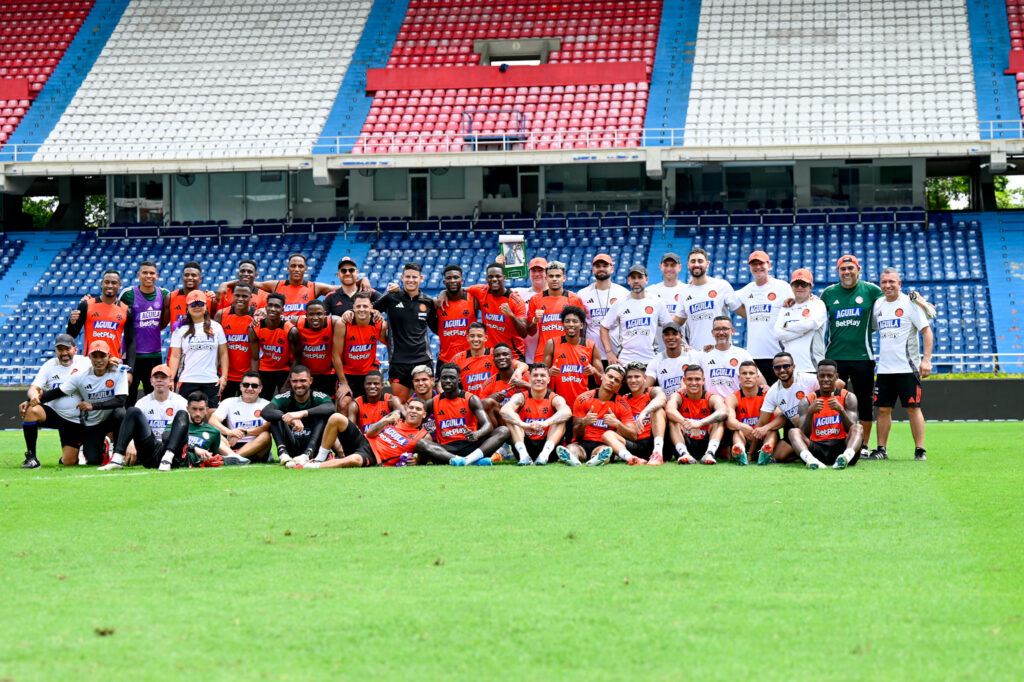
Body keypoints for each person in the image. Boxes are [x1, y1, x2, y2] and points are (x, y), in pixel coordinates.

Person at [821, 254, 884, 460]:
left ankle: (864, 445)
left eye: (851, 268)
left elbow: (891, 303)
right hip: (834, 358)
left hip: (863, 357)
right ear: (838, 271)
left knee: (865, 402)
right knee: (833, 400)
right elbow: (813, 311)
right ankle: (835, 439)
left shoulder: (872, 290)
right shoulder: (828, 293)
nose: (847, 272)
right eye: (843, 269)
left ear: (858, 270)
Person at [29, 339, 128, 466]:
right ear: (89, 357)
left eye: (102, 356)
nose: (98, 360)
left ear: (109, 357)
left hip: (110, 418)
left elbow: (121, 401)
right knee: (93, 461)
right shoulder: (80, 376)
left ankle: (118, 455)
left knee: (121, 413)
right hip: (94, 423)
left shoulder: (118, 371)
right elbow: (57, 392)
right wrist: (31, 401)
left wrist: (92, 406)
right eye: (95, 356)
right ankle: (102, 445)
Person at [871, 267, 934, 461]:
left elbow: (927, 332)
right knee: (882, 409)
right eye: (884, 282)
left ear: (900, 283)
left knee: (912, 408)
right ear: (880, 284)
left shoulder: (910, 303)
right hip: (885, 369)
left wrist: (926, 360)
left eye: (892, 281)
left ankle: (920, 450)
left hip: (907, 367)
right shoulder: (878, 304)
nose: (887, 285)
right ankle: (881, 449)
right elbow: (872, 328)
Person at [291, 397, 433, 469]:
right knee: (336, 418)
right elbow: (370, 433)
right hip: (363, 441)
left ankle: (312, 466)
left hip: (374, 456)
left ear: (424, 414)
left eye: (418, 409)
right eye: (411, 408)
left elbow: (426, 455)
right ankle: (320, 459)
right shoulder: (395, 419)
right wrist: (385, 420)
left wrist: (418, 461)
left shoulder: (424, 435)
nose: (413, 411)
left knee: (355, 460)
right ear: (406, 409)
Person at [98, 364, 191, 470]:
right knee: (132, 411)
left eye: (163, 377)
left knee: (182, 414)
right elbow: (135, 427)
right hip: (150, 450)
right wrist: (131, 442)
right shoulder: (142, 402)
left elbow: (187, 432)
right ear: (151, 381)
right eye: (156, 377)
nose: (159, 380)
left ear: (170, 381)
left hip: (172, 451)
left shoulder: (181, 402)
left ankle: (167, 458)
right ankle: (117, 459)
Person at [19, 334, 92, 469]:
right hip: (53, 413)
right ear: (55, 351)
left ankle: (69, 454)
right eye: (60, 349)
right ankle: (32, 457)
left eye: (67, 349)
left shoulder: (85, 362)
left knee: (69, 462)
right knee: (31, 410)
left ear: (75, 349)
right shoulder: (49, 365)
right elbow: (33, 388)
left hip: (74, 418)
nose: (64, 353)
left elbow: (103, 366)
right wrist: (33, 396)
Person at [372, 262, 438, 403]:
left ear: (421, 278)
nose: (411, 280)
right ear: (402, 278)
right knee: (400, 405)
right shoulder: (391, 298)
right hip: (398, 361)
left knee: (427, 405)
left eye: (414, 277)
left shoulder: (428, 302)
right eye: (408, 277)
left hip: (422, 359)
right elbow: (369, 311)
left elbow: (438, 329)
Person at [422, 363, 509, 465]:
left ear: (459, 380)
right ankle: (470, 461)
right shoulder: (433, 402)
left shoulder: (471, 399)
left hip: (471, 444)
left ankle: (467, 460)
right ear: (440, 380)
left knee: (504, 430)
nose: (448, 381)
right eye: (444, 378)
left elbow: (488, 425)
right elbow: (415, 423)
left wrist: (477, 434)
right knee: (421, 443)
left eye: (452, 378)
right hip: (447, 449)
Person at [732, 251, 794, 384]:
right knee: (760, 399)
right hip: (754, 356)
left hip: (777, 355)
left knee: (781, 396)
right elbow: (725, 297)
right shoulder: (747, 290)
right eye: (754, 264)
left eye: (761, 263)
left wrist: (812, 298)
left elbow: (799, 303)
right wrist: (697, 282)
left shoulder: (782, 287)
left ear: (769, 265)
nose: (758, 267)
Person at [790, 359, 863, 470]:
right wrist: (810, 412)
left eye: (829, 376)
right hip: (817, 447)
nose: (825, 379)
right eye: (822, 376)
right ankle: (811, 461)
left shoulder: (848, 397)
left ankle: (845, 458)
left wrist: (841, 411)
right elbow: (804, 432)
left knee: (858, 427)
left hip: (841, 446)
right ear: (817, 377)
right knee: (793, 432)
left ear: (836, 376)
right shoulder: (807, 401)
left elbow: (852, 429)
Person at [560, 365, 636, 466]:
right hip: (582, 443)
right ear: (602, 376)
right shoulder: (583, 398)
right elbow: (576, 435)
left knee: (605, 452)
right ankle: (573, 458)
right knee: (571, 449)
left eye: (616, 380)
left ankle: (595, 459)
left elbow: (633, 435)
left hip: (604, 444)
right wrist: (584, 422)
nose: (612, 381)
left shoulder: (622, 405)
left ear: (619, 386)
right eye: (610, 377)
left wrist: (618, 424)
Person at [261, 365, 337, 466]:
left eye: (303, 380)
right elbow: (265, 412)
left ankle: (307, 454)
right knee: (275, 416)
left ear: (311, 380)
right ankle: (283, 454)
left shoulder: (318, 396)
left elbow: (330, 407)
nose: (299, 385)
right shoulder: (285, 397)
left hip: (314, 448)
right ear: (290, 382)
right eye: (295, 381)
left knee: (323, 414)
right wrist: (289, 418)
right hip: (293, 446)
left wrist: (302, 413)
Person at [500, 363, 572, 466]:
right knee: (511, 418)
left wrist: (546, 423)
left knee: (560, 419)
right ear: (529, 379)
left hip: (548, 446)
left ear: (548, 380)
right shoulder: (520, 397)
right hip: (525, 445)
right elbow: (504, 410)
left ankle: (544, 456)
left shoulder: (555, 398)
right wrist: (523, 424)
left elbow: (567, 412)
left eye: (542, 376)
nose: (539, 378)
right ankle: (524, 456)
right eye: (535, 375)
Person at [600, 265, 673, 366]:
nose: (636, 281)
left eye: (640, 277)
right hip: (625, 361)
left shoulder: (657, 302)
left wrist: (679, 345)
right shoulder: (620, 303)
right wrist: (609, 352)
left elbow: (670, 327)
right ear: (629, 280)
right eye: (633, 278)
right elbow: (604, 327)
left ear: (646, 280)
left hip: (650, 360)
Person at [756, 352, 821, 465]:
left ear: (793, 367)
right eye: (777, 367)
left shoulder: (808, 379)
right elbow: (763, 421)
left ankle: (812, 450)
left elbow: (838, 384)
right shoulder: (773, 391)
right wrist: (750, 452)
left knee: (797, 417)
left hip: (819, 424)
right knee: (778, 456)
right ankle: (807, 451)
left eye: (786, 366)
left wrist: (820, 403)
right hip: (796, 429)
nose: (782, 370)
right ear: (773, 369)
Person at [119, 261, 169, 403]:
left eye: (152, 273)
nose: (148, 276)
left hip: (154, 354)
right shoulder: (128, 294)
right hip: (131, 354)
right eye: (145, 273)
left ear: (157, 276)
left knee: (152, 394)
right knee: (129, 394)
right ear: (139, 275)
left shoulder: (164, 294)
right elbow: (113, 311)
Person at [167, 290, 228, 408]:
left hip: (211, 380)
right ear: (187, 307)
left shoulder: (216, 327)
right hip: (188, 380)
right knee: (187, 415)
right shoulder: (180, 329)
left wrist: (224, 376)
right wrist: (171, 379)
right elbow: (175, 356)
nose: (197, 307)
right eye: (193, 304)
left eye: (200, 304)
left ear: (206, 306)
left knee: (212, 415)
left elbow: (224, 353)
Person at [677, 247, 741, 350]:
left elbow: (742, 310)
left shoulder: (721, 285)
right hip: (696, 353)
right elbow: (677, 321)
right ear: (688, 265)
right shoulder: (684, 292)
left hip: (720, 351)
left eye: (700, 261)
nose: (696, 264)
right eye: (693, 261)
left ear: (707, 264)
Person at [665, 364, 728, 464]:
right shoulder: (678, 396)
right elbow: (669, 410)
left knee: (718, 420)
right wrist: (687, 423)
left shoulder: (711, 397)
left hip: (706, 442)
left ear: (703, 380)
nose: (693, 383)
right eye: (690, 379)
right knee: (673, 421)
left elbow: (723, 411)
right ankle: (684, 454)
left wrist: (700, 423)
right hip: (685, 441)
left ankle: (710, 453)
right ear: (684, 381)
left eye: (697, 379)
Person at [465, 262, 528, 360]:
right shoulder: (481, 291)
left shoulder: (515, 300)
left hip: (512, 355)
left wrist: (511, 316)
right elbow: (459, 290)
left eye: (498, 276)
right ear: (487, 279)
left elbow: (524, 333)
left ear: (504, 278)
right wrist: (443, 292)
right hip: (490, 354)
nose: (494, 279)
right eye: (491, 276)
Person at [544, 305, 603, 408]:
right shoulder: (552, 344)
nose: (571, 324)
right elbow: (540, 375)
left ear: (581, 325)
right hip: (556, 403)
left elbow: (602, 381)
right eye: (567, 321)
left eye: (575, 321)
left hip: (582, 403)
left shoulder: (591, 346)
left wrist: (595, 371)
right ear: (562, 324)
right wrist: (548, 373)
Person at [525, 261, 585, 362]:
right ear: (546, 278)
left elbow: (582, 329)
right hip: (543, 353)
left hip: (568, 352)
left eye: (558, 276)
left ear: (564, 278)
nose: (554, 279)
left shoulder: (574, 299)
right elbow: (530, 332)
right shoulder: (535, 300)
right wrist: (535, 320)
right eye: (551, 276)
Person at [209, 371, 273, 463]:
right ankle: (233, 457)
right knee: (213, 433)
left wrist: (244, 433)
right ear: (241, 386)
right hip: (231, 445)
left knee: (266, 435)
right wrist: (230, 432)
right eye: (246, 385)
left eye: (254, 386)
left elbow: (267, 427)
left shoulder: (267, 404)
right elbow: (213, 421)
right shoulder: (229, 402)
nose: (250, 388)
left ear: (260, 388)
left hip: (256, 446)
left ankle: (233, 457)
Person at [773, 269, 827, 376]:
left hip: (812, 366)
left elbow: (811, 324)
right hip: (789, 368)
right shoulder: (786, 307)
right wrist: (802, 331)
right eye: (796, 284)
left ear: (811, 287)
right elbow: (777, 334)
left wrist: (786, 325)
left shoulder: (818, 304)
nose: (800, 287)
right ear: (791, 286)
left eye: (804, 284)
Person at [243, 253, 335, 316]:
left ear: (306, 269)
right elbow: (248, 283)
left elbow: (340, 289)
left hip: (303, 332)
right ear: (288, 268)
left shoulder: (314, 287)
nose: (297, 269)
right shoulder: (276, 285)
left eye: (300, 266)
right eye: (293, 266)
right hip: (283, 332)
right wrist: (228, 284)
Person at [67, 269, 130, 359]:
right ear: (101, 283)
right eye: (107, 282)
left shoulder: (126, 310)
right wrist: (71, 322)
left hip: (113, 362)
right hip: (90, 361)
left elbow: (130, 341)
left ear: (120, 285)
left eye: (114, 283)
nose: (110, 285)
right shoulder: (86, 305)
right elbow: (71, 335)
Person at [337, 291, 387, 405]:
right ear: (353, 308)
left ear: (371, 308)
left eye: (365, 306)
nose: (362, 309)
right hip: (348, 373)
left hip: (370, 372)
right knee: (343, 404)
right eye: (358, 306)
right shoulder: (343, 324)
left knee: (374, 404)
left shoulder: (379, 324)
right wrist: (343, 383)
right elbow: (336, 355)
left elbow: (389, 343)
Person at [289, 299, 344, 398]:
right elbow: (279, 318)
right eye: (311, 314)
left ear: (325, 314)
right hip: (305, 375)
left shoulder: (333, 322)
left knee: (328, 406)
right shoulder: (297, 323)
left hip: (328, 374)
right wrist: (262, 312)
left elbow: (353, 319)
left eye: (319, 314)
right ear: (306, 315)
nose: (315, 318)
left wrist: (350, 312)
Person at [577, 253, 628, 353]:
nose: (601, 269)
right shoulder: (582, 294)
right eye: (598, 266)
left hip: (618, 353)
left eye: (605, 266)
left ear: (612, 269)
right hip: (592, 352)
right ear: (593, 270)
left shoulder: (623, 293)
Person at [214, 281, 256, 399]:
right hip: (225, 376)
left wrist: (253, 376)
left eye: (244, 296)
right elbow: (216, 348)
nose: (240, 299)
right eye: (237, 295)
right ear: (232, 295)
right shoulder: (221, 315)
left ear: (251, 297)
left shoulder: (256, 316)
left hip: (247, 376)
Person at [699, 315, 758, 397]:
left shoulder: (743, 354)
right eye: (717, 329)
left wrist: (765, 387)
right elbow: (690, 375)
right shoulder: (703, 354)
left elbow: (757, 377)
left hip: (736, 404)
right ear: (712, 332)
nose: (721, 332)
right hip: (710, 405)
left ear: (732, 331)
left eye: (725, 328)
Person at [250, 292, 294, 399]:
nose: (273, 309)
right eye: (270, 305)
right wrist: (255, 380)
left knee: (286, 402)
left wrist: (288, 383)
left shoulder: (291, 330)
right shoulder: (255, 328)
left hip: (284, 370)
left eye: (277, 306)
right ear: (266, 307)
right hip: (265, 370)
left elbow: (297, 359)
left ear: (283, 310)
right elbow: (255, 358)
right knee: (262, 403)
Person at [622, 362, 668, 465]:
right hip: (636, 445)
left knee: (657, 409)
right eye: (630, 377)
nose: (633, 380)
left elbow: (662, 399)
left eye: (637, 377)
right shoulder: (623, 400)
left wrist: (645, 412)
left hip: (657, 442)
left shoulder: (652, 391)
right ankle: (624, 456)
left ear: (644, 378)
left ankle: (657, 453)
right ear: (625, 380)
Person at [434, 264, 479, 366]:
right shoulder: (437, 303)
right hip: (445, 360)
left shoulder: (473, 299)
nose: (452, 281)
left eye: (456, 277)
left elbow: (488, 290)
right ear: (444, 282)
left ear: (462, 281)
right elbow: (434, 326)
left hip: (469, 359)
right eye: (449, 278)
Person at [724, 360, 767, 465]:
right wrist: (741, 426)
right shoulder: (732, 397)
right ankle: (741, 452)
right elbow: (729, 421)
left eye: (751, 373)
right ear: (739, 377)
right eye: (744, 373)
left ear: (757, 377)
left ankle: (766, 451)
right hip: (744, 437)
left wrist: (766, 427)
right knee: (737, 430)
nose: (748, 376)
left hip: (763, 437)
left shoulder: (767, 395)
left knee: (771, 431)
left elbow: (780, 416)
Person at [646, 252, 687, 352]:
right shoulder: (650, 291)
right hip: (655, 351)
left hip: (681, 349)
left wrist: (661, 318)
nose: (669, 268)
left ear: (680, 267)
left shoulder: (687, 290)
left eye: (673, 265)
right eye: (666, 265)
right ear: (661, 267)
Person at [645, 322, 698, 396]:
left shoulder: (692, 354)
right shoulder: (656, 361)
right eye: (667, 334)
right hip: (667, 404)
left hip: (689, 402)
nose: (670, 337)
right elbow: (646, 386)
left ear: (681, 336)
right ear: (663, 337)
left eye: (674, 334)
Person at [347, 370, 404, 437]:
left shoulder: (391, 400)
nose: (372, 386)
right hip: (366, 441)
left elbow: (405, 416)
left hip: (388, 442)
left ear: (382, 385)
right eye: (369, 383)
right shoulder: (355, 405)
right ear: (364, 385)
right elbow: (350, 431)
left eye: (376, 383)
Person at [514, 256, 548, 361]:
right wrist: (500, 265)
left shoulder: (557, 295)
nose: (537, 274)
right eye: (533, 271)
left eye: (540, 270)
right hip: (527, 352)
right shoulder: (519, 293)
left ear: (547, 273)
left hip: (550, 350)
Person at [164, 261, 215, 329]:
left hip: (201, 339)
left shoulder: (209, 299)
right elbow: (162, 324)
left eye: (193, 275)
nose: (190, 278)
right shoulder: (170, 297)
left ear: (200, 279)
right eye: (186, 275)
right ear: (182, 278)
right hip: (178, 339)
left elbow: (214, 325)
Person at [452, 322, 497, 395]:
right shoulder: (458, 359)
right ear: (467, 338)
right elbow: (445, 381)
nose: (476, 339)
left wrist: (519, 370)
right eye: (472, 336)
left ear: (485, 338)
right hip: (469, 403)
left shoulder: (495, 355)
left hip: (491, 403)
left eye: (479, 336)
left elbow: (520, 365)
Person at [409, 364, 438, 438]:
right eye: (417, 380)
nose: (421, 383)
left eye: (424, 379)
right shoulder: (409, 404)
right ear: (413, 382)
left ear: (432, 381)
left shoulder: (442, 399)